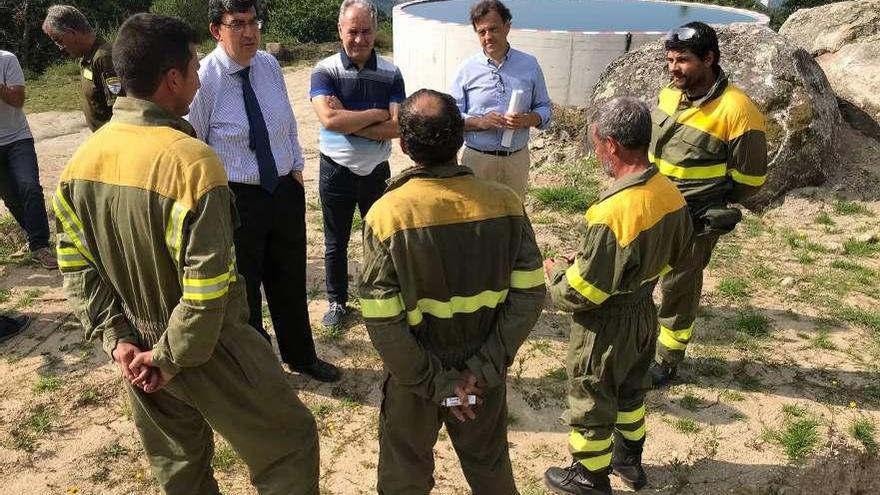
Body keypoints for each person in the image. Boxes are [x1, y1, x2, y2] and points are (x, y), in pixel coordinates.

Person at [55, 13, 319, 494]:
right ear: (173, 79)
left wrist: (120, 340)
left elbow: (76, 267)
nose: (200, 77)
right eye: (195, 67)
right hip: (205, 346)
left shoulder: (79, 165)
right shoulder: (193, 163)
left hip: (135, 348)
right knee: (290, 444)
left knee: (179, 467)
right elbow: (206, 291)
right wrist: (170, 357)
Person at [359, 88, 546, 494]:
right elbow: (530, 295)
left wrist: (438, 384)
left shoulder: (388, 215)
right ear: (460, 137)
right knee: (490, 466)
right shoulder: (506, 204)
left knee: (404, 473)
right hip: (484, 366)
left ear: (404, 145)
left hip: (415, 370)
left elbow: (383, 320)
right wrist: (482, 369)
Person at [543, 97, 693, 495]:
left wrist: (558, 273)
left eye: (596, 145)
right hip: (644, 311)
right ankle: (630, 464)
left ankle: (589, 477)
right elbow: (676, 253)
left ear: (610, 144)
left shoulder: (612, 212)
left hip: (605, 327)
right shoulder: (669, 193)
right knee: (631, 392)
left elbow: (582, 293)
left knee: (593, 396)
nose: (597, 154)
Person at [188, 0, 339, 382]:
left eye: (254, 21)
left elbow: (285, 121)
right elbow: (195, 145)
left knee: (289, 277)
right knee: (245, 289)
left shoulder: (269, 66)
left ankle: (301, 356)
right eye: (237, 23)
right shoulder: (205, 79)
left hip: (282, 190)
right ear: (215, 30)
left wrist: (296, 170)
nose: (250, 32)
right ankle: (258, 369)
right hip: (237, 199)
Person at [649, 22, 767, 387]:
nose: (673, 68)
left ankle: (666, 360)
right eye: (670, 59)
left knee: (677, 291)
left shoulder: (739, 111)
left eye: (682, 60)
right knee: (636, 279)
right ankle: (633, 345)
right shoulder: (669, 94)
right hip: (652, 210)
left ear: (709, 59)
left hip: (693, 220)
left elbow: (749, 180)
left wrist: (711, 201)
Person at [310, 0, 404, 329]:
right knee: (336, 241)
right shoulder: (324, 70)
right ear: (340, 31)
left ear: (376, 31)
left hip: (376, 171)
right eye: (353, 31)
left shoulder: (391, 73)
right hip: (335, 170)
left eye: (366, 31)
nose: (359, 39)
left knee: (379, 238)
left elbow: (397, 127)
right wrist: (376, 114)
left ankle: (380, 295)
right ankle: (337, 301)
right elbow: (329, 118)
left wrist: (349, 118)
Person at [449, 0, 552, 200]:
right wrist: (480, 122)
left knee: (513, 217)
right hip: (477, 160)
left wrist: (528, 119)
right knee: (477, 218)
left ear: (507, 26)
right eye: (481, 32)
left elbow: (545, 108)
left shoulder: (529, 64)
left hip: (516, 159)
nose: (488, 37)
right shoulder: (466, 69)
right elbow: (451, 117)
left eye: (493, 29)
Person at [0, 50, 56, 269]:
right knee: (10, 197)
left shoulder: (6, 59)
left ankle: (40, 246)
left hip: (17, 138)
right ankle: (34, 237)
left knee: (29, 187)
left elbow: (18, 100)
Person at [42, 5, 123, 131]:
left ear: (71, 33)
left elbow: (120, 109)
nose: (60, 47)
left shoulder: (103, 58)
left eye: (58, 40)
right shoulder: (87, 58)